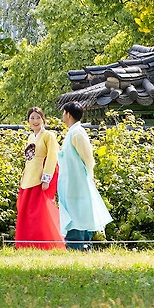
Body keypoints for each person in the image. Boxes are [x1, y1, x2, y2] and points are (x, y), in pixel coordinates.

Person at [56, 103, 113, 250]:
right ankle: (77, 244)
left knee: (79, 211)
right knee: (73, 210)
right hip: (70, 181)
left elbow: (88, 159)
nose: (62, 115)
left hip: (78, 181)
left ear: (68, 114)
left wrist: (90, 176)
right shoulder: (71, 132)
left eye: (64, 112)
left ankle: (79, 245)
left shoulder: (77, 133)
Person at [14, 106, 66, 250]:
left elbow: (52, 157)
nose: (35, 121)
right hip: (28, 177)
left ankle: (45, 243)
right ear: (28, 121)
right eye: (32, 118)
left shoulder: (48, 136)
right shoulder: (31, 137)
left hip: (40, 178)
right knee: (26, 212)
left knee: (40, 212)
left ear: (43, 119)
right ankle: (27, 244)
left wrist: (46, 178)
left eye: (38, 117)